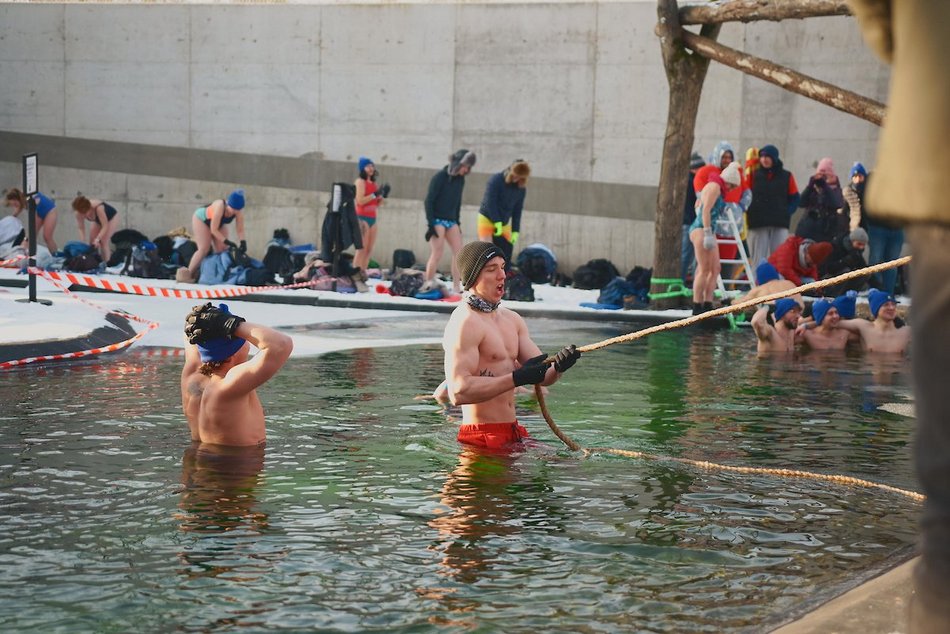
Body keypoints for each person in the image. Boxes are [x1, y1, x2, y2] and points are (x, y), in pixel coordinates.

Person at [847, 4, 950, 629]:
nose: (887, 306)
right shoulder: (864, 328)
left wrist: (915, 45)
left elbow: (881, 18)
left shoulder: (891, 329)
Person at [441, 241, 581, 449]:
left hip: (513, 431)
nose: (502, 275)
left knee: (569, 463)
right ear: (472, 277)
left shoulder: (512, 319)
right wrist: (517, 378)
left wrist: (559, 367)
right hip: (481, 436)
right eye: (492, 269)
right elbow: (458, 392)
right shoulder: (464, 322)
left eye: (503, 267)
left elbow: (543, 377)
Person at [180, 302, 293, 447]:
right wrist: (232, 324)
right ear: (232, 355)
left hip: (200, 456)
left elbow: (192, 336)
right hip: (239, 461)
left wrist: (205, 321)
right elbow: (281, 344)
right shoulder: (229, 386)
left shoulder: (192, 374)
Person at [688, 161, 742, 314]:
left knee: (715, 268)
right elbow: (706, 210)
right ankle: (697, 305)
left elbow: (700, 205)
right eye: (731, 186)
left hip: (709, 230)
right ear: (728, 180)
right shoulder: (714, 187)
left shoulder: (716, 187)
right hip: (701, 229)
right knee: (704, 269)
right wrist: (707, 232)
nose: (730, 189)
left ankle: (707, 302)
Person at [424, 149, 476, 294]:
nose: (466, 170)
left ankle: (456, 287)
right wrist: (431, 224)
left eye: (469, 168)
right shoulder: (440, 177)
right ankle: (428, 283)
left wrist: (457, 223)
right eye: (465, 166)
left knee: (459, 254)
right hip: (437, 220)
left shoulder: (461, 180)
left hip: (451, 220)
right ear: (458, 163)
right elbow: (429, 201)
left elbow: (457, 203)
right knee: (437, 253)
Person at [745, 144, 801, 268]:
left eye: (768, 157)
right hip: (758, 222)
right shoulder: (753, 175)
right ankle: (757, 279)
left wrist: (787, 211)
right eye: (762, 156)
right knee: (758, 258)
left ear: (774, 158)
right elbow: (745, 194)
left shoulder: (786, 176)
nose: (764, 159)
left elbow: (795, 198)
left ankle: (777, 279)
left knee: (779, 257)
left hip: (779, 222)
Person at [180, 189, 247, 284]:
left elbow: (240, 229)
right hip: (202, 220)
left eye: (237, 209)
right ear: (229, 204)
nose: (234, 212)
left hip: (218, 224)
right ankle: (188, 274)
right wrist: (227, 241)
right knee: (204, 249)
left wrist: (243, 242)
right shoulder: (220, 206)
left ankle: (218, 274)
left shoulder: (238, 211)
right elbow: (213, 230)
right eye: (233, 209)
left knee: (223, 249)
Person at [476, 159, 531, 268]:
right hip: (487, 217)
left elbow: (517, 210)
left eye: (520, 177)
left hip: (504, 222)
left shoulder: (521, 189)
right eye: (515, 175)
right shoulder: (496, 180)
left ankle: (502, 277)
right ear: (511, 171)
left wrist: (515, 230)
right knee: (488, 251)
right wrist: (497, 222)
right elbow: (490, 202)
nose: (516, 179)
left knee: (506, 251)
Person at [835, 289, 910, 354]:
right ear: (876, 308)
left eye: (893, 304)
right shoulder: (863, 327)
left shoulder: (906, 332)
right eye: (886, 305)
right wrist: (846, 304)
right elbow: (833, 322)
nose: (891, 308)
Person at [796, 157, 847, 244]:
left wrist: (825, 187)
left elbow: (836, 203)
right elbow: (801, 203)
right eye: (819, 175)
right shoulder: (813, 188)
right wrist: (809, 187)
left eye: (825, 176)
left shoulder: (836, 189)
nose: (822, 178)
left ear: (831, 175)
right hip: (808, 229)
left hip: (826, 231)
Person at [353, 157, 389, 277]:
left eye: (372, 166)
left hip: (372, 218)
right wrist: (375, 194)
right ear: (362, 168)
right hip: (362, 218)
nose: (371, 168)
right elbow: (360, 200)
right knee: (361, 249)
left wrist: (383, 195)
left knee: (369, 249)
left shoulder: (374, 184)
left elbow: (377, 203)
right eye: (368, 166)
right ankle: (355, 274)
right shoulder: (360, 182)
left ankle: (363, 274)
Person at [4, 188, 58, 253]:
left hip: (49, 211)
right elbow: (17, 211)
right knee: (31, 236)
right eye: (14, 205)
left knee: (47, 237)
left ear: (17, 199)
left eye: (15, 204)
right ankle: (25, 251)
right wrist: (11, 218)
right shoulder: (20, 201)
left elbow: (34, 224)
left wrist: (26, 240)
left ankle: (55, 254)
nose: (16, 206)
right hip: (38, 211)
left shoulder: (28, 198)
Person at [767, 235, 832, 287]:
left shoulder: (811, 262)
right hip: (775, 276)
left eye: (812, 263)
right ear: (807, 252)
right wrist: (800, 285)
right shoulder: (789, 247)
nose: (810, 263)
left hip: (794, 278)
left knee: (811, 282)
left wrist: (817, 288)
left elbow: (812, 274)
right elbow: (784, 270)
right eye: (810, 261)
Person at [820, 227, 869, 293]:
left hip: (844, 280)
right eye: (859, 244)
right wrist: (845, 261)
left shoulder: (856, 252)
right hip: (828, 277)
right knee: (846, 272)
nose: (861, 247)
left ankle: (851, 293)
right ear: (852, 241)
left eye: (863, 245)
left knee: (865, 273)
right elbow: (829, 268)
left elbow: (864, 267)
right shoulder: (837, 246)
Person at [681, 151, 706, 283]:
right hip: (690, 222)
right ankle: (680, 281)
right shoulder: (691, 182)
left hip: (692, 222)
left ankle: (687, 281)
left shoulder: (693, 181)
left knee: (693, 256)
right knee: (687, 255)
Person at [72, 195, 119, 263]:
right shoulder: (78, 213)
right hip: (98, 220)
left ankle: (108, 263)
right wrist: (82, 241)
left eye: (84, 213)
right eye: (81, 213)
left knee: (103, 241)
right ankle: (93, 262)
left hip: (111, 218)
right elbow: (81, 228)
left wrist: (98, 239)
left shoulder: (99, 208)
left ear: (89, 208)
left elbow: (105, 226)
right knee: (92, 242)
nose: (83, 216)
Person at [843, 162, 868, 231]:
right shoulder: (848, 192)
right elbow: (843, 210)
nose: (858, 179)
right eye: (855, 177)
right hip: (854, 227)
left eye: (860, 176)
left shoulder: (869, 191)